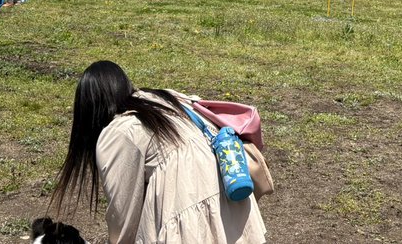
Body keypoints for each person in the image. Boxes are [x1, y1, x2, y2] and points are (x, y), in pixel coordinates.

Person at [49, 61, 266, 244]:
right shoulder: (165, 99)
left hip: (191, 216)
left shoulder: (121, 131)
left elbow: (124, 220)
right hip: (234, 207)